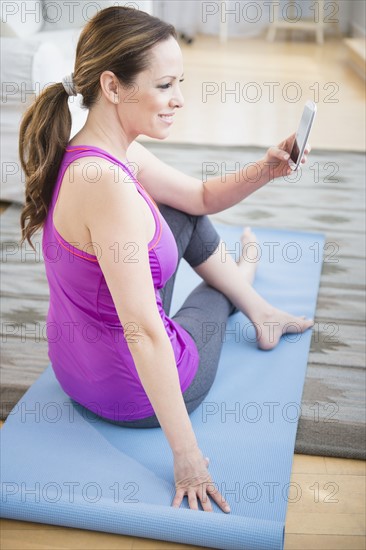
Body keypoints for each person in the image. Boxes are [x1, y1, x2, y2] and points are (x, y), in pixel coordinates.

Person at [19, 6, 313, 515]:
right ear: (112, 86)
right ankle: (239, 291)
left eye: (180, 82)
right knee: (214, 294)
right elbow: (145, 332)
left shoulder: (86, 150)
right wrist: (188, 458)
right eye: (164, 85)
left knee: (181, 210)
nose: (179, 99)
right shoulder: (109, 186)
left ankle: (255, 303)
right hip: (134, 393)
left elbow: (198, 196)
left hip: (74, 369)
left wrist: (266, 169)